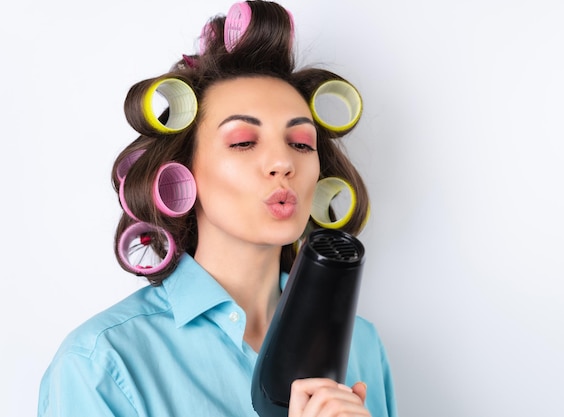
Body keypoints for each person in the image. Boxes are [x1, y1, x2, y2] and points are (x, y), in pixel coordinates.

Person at [37, 1, 398, 416]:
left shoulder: (362, 346)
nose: (284, 163)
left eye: (301, 143)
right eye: (244, 142)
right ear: (181, 174)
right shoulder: (102, 363)